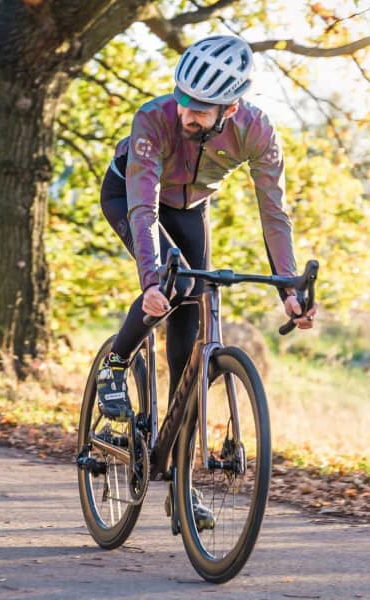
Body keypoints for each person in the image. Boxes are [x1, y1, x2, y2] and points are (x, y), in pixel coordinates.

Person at [98, 35, 316, 527]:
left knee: (192, 354)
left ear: (231, 108)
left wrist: (289, 289)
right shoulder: (155, 117)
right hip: (130, 195)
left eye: (200, 110)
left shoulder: (257, 130)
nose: (186, 115)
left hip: (192, 208)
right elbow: (143, 206)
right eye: (184, 101)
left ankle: (180, 485)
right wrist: (152, 280)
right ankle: (115, 364)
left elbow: (274, 212)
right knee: (172, 285)